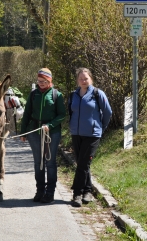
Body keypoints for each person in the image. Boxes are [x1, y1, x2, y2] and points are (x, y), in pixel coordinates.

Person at [20, 68, 65, 203]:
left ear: (49, 80)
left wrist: (50, 125)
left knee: (50, 163)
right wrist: (23, 132)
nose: (41, 83)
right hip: (34, 132)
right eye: (39, 81)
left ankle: (50, 193)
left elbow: (62, 115)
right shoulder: (33, 94)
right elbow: (27, 114)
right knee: (38, 163)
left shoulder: (57, 95)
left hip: (52, 133)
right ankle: (40, 191)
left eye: (44, 81)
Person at [68, 68, 112, 207]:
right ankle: (87, 191)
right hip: (76, 134)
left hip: (92, 135)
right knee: (83, 164)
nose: (83, 81)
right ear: (77, 80)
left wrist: (100, 128)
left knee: (82, 164)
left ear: (91, 79)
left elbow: (108, 112)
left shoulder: (98, 94)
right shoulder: (73, 95)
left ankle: (77, 193)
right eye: (81, 79)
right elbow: (71, 111)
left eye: (86, 78)